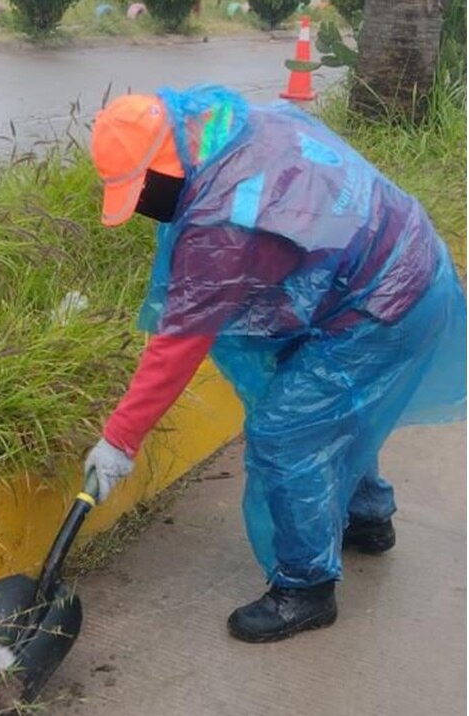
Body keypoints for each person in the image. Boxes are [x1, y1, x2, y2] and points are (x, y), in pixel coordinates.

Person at [84, 85, 466, 643]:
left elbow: (179, 343)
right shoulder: (228, 127)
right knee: (336, 409)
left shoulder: (223, 217)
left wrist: (119, 440)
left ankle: (306, 588)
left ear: (165, 167)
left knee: (286, 431)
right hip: (405, 259)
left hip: (384, 304)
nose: (144, 206)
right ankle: (366, 515)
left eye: (143, 191)